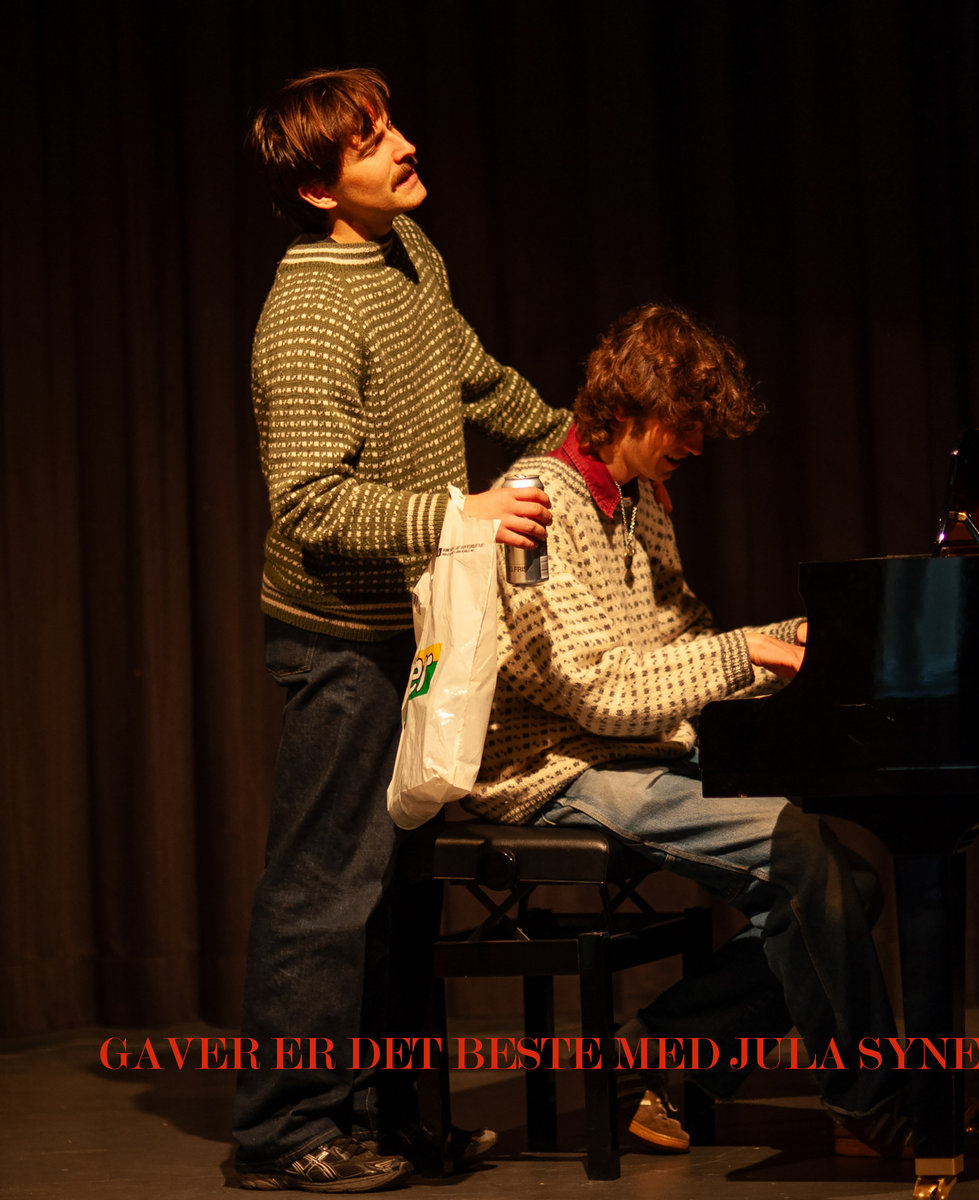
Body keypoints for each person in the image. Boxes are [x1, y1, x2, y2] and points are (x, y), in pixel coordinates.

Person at [234, 67, 572, 1192]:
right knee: (325, 890)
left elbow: (473, 376)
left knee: (399, 895)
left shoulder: (410, 253)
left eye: (392, 127)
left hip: (419, 628)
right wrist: (458, 513)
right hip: (340, 640)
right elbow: (308, 504)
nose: (404, 146)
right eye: (372, 141)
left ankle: (392, 1115)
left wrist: (575, 448)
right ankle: (284, 1134)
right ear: (318, 188)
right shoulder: (308, 313)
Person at [467, 302, 907, 1155]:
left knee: (851, 884)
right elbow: (597, 690)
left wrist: (800, 638)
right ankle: (870, 1103)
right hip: (555, 764)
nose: (698, 446)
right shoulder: (535, 504)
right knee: (799, 849)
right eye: (686, 425)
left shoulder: (640, 503)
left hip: (634, 749)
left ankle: (656, 1056)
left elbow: (679, 644)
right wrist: (752, 652)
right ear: (627, 407)